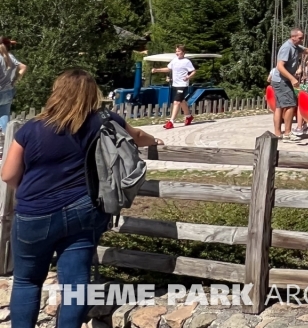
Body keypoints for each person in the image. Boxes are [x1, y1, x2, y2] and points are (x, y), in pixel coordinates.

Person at [2, 69, 162, 328]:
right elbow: (138, 137)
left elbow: (8, 174)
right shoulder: (104, 120)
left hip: (34, 214)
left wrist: (33, 190)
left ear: (56, 92)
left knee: (26, 281)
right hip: (84, 210)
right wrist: (155, 139)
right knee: (76, 285)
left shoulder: (31, 128)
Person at [151, 45, 196, 130]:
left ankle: (171, 122)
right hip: (175, 84)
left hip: (183, 85)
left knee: (176, 102)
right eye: (176, 51)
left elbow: (193, 71)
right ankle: (189, 116)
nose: (177, 53)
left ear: (183, 52)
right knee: (182, 101)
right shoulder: (174, 60)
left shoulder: (187, 61)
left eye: (178, 51)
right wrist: (157, 70)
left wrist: (188, 77)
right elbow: (168, 69)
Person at [0, 37, 26, 135]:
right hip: (8, 91)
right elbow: (23, 67)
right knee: (4, 116)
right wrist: (16, 81)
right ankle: (6, 140)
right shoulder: (9, 56)